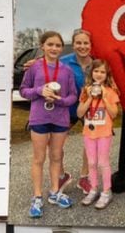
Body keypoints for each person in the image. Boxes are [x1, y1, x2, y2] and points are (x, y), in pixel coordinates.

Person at [19, 31, 78, 218]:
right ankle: (37, 196)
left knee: (56, 157)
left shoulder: (66, 70)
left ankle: (54, 192)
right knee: (38, 158)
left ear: (61, 48)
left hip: (60, 118)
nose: (54, 48)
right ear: (42, 46)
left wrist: (60, 100)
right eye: (50, 44)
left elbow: (73, 96)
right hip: (39, 118)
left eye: (58, 45)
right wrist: (39, 90)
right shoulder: (34, 68)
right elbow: (23, 91)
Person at [76, 59, 121, 209]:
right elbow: (80, 113)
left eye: (102, 72)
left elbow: (114, 114)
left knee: (103, 162)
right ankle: (93, 188)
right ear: (91, 73)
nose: (99, 74)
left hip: (104, 133)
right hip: (89, 132)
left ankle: (106, 192)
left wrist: (103, 97)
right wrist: (89, 97)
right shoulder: (86, 89)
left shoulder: (110, 91)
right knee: (91, 163)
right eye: (96, 71)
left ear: (106, 74)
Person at [60, 29, 95, 193]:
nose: (82, 46)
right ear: (73, 45)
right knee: (56, 143)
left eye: (86, 43)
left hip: (89, 109)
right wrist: (35, 62)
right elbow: (46, 63)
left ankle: (84, 177)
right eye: (79, 43)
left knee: (90, 142)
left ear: (91, 45)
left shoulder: (96, 64)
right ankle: (61, 175)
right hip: (67, 108)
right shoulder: (63, 62)